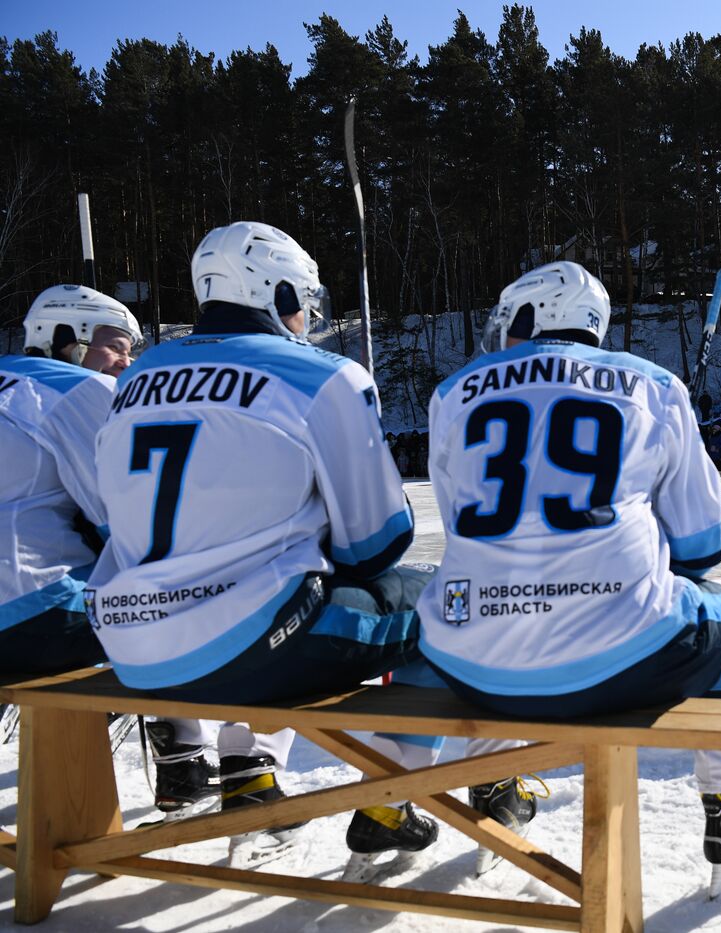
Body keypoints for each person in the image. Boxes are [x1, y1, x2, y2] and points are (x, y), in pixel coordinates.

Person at [417, 261, 721, 896]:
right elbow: (705, 545)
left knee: (475, 611)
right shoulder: (652, 385)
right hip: (618, 661)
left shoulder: (456, 393)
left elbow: (465, 530)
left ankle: (496, 790)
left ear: (531, 318)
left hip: (474, 664)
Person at [87, 221, 440, 877]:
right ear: (277, 290)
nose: (306, 316)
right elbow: (380, 539)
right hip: (241, 647)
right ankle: (395, 790)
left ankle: (249, 765)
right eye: (303, 299)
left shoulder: (133, 380)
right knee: (445, 596)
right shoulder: (320, 374)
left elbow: (113, 521)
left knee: (262, 585)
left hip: (130, 648)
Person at [1, 285, 139, 675]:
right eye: (116, 347)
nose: (127, 363)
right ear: (67, 339)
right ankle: (184, 732)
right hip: (30, 612)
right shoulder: (83, 388)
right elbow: (127, 522)